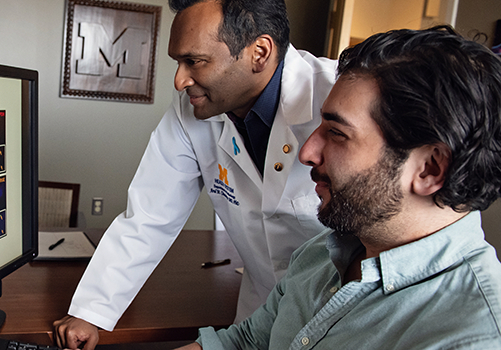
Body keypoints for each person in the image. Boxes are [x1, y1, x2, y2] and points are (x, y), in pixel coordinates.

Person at [180, 26, 501, 350]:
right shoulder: (322, 253)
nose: (307, 153)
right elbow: (246, 342)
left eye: (337, 133)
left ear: (429, 169)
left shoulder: (474, 334)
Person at [53, 0, 338, 348]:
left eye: (194, 61)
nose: (179, 80)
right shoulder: (196, 108)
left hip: (340, 315)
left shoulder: (338, 98)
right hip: (256, 318)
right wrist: (92, 310)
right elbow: (149, 214)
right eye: (178, 62)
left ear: (259, 52)